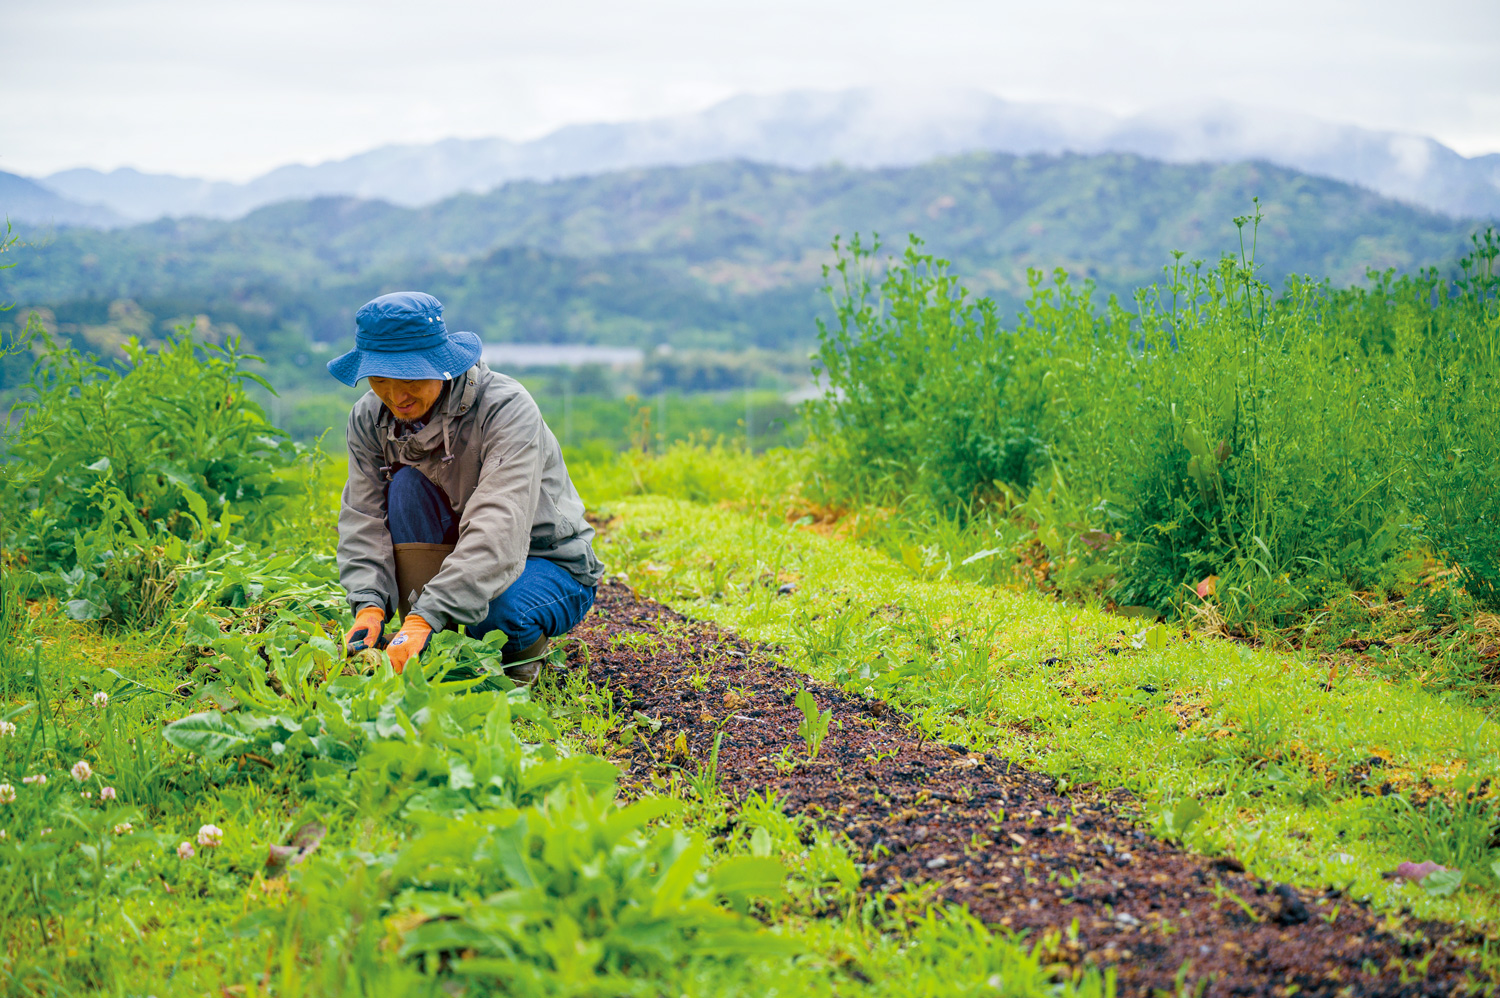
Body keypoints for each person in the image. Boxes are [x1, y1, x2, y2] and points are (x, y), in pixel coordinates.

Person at [328, 291, 603, 679]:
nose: (396, 396)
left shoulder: (505, 409)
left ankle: (519, 658)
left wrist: (429, 615)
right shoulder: (370, 419)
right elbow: (363, 516)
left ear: (440, 364)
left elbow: (498, 523)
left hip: (545, 559)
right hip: (458, 554)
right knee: (404, 485)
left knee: (496, 615)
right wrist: (369, 603)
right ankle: (426, 636)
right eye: (379, 380)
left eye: (410, 377)